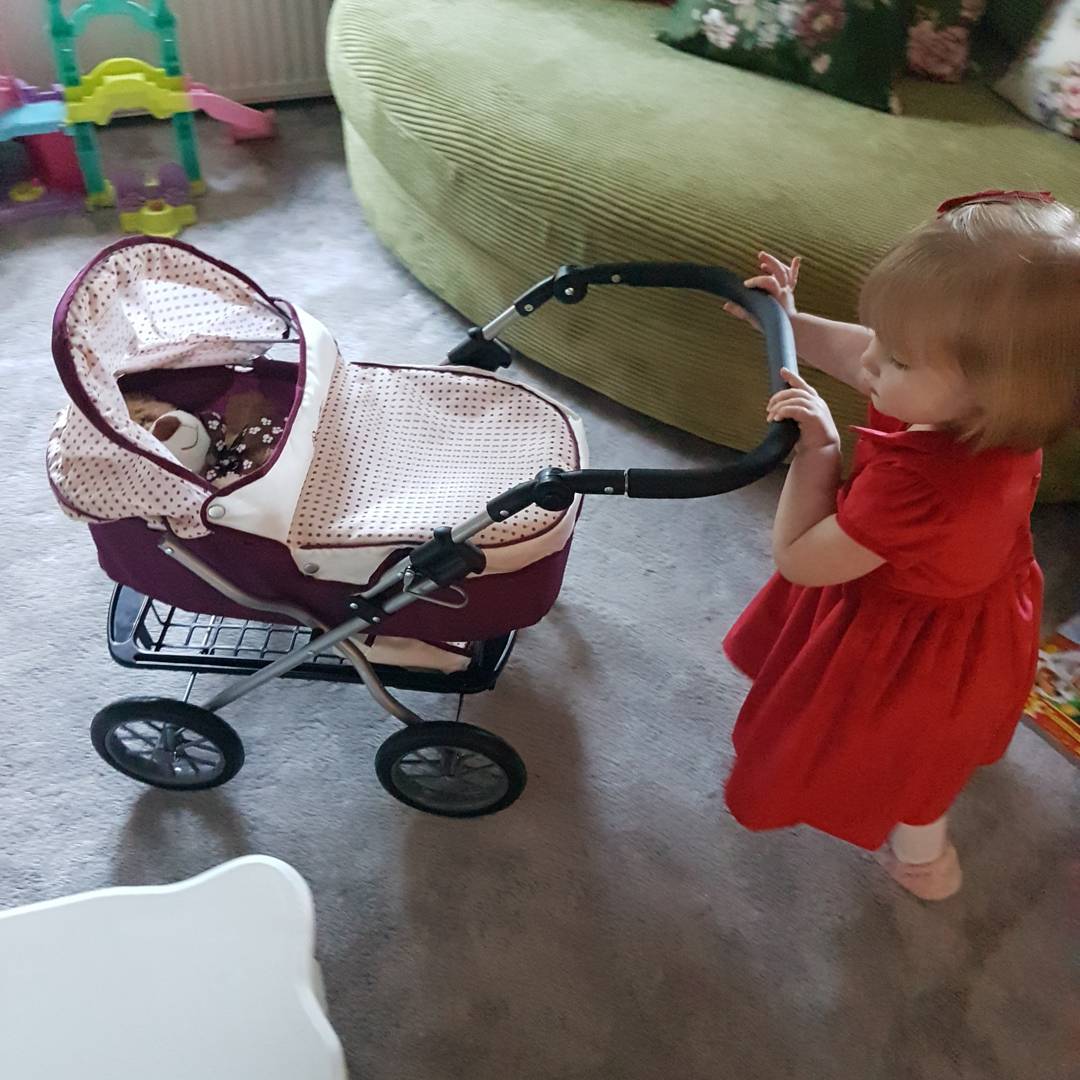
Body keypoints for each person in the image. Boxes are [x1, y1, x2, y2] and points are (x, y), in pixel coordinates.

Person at [721, 190, 1079, 900]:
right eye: (883, 336)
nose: (871, 359)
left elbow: (801, 557)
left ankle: (926, 863)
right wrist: (788, 323)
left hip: (911, 649)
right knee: (936, 747)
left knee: (908, 764)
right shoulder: (988, 416)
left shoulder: (924, 490)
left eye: (898, 358)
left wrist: (818, 454)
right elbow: (859, 355)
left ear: (992, 390)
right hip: (972, 610)